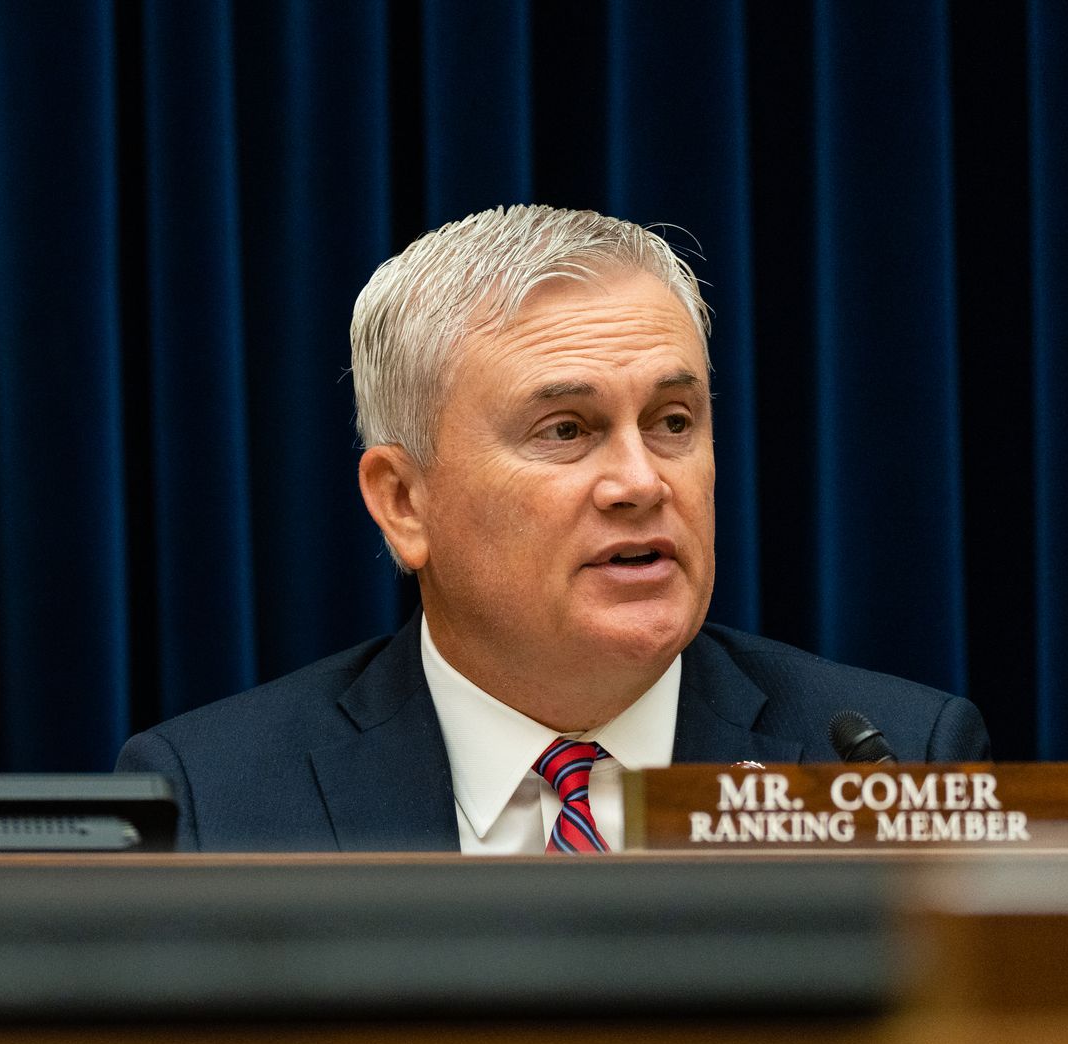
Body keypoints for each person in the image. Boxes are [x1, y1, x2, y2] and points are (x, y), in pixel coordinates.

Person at [117, 205, 989, 853]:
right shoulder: (215, 802)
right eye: (566, 430)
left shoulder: (896, 768)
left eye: (674, 421)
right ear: (403, 503)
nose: (641, 482)